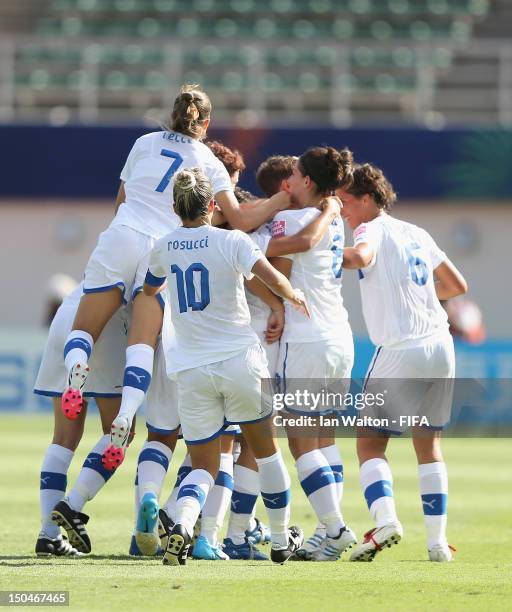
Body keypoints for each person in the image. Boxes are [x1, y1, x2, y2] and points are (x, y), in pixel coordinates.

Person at [143, 167, 308, 566]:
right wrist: (293, 295)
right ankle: (282, 539)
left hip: (192, 369)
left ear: (174, 207)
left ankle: (182, 525)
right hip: (238, 358)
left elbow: (150, 288)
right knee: (266, 453)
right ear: (213, 206)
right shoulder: (232, 240)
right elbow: (271, 278)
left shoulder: (163, 246)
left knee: (204, 465)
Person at [337, 159, 467, 563]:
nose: (342, 210)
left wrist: (322, 252)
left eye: (346, 201)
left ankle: (386, 518)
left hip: (399, 350)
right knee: (429, 448)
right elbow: (457, 285)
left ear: (368, 199)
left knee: (369, 445)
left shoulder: (368, 228)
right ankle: (437, 544)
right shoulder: (416, 232)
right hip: (439, 347)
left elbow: (360, 256)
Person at [270, 147, 356, 562]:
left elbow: (279, 270)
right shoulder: (335, 221)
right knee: (324, 439)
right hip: (340, 336)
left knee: (301, 443)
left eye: (297, 173)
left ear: (306, 180)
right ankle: (325, 534)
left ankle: (336, 527)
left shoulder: (295, 219)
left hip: (306, 339)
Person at [33, 282, 130, 556]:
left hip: (67, 315)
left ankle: (48, 535)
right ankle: (72, 505)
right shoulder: (155, 243)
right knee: (122, 432)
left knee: (63, 439)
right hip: (106, 322)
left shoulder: (110, 244)